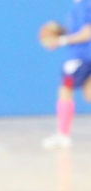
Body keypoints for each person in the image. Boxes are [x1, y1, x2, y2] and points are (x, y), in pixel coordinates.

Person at [40, 0, 91, 149]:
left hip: (78, 59)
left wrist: (60, 40)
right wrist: (64, 33)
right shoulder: (79, 5)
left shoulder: (83, 5)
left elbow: (87, 34)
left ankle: (63, 135)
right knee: (89, 94)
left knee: (65, 90)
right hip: (85, 57)